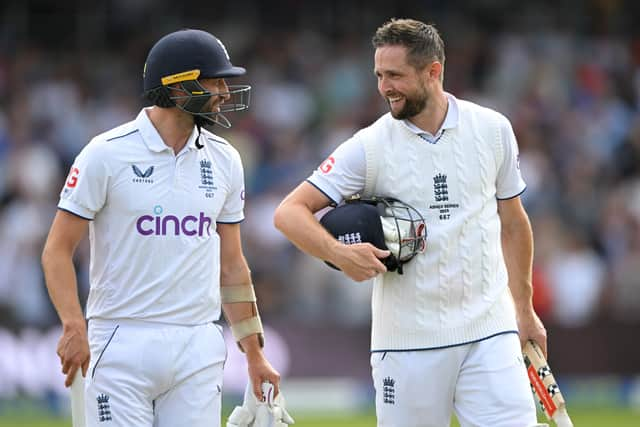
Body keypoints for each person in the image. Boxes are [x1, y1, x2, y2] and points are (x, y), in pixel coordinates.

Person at [274, 18, 547, 426]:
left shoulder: (492, 129)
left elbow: (513, 222)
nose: (384, 86)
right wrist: (338, 253)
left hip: (490, 332)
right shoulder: (369, 145)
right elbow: (288, 213)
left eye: (395, 75)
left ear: (433, 71)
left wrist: (524, 310)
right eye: (379, 75)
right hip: (406, 345)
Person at [42, 29, 281, 427]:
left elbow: (233, 267)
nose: (224, 91)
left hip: (197, 345)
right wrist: (72, 323)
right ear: (178, 86)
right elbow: (57, 250)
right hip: (120, 340)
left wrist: (255, 355)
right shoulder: (106, 153)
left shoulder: (226, 160)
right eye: (215, 80)